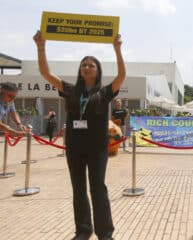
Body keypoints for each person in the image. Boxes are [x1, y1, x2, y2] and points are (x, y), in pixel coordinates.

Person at [33, 30, 126, 240]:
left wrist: (117, 49)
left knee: (98, 188)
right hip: (74, 147)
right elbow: (46, 73)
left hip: (97, 148)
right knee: (78, 188)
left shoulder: (105, 92)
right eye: (84, 64)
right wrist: (41, 47)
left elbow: (121, 76)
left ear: (97, 70)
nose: (86, 67)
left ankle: (105, 233)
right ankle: (83, 230)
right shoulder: (70, 89)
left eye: (91, 65)